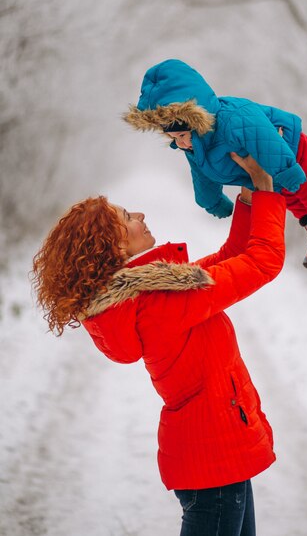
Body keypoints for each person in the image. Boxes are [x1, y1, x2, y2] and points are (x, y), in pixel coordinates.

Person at [32, 154, 286, 536]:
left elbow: (227, 261)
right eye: (127, 217)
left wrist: (249, 198)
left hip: (215, 454)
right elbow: (263, 261)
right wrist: (267, 191)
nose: (141, 215)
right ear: (113, 245)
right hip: (212, 457)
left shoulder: (145, 296)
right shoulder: (155, 303)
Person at [123, 58, 307, 273]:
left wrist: (288, 171)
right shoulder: (194, 145)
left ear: (194, 119)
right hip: (273, 171)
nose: (181, 143)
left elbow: (264, 137)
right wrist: (214, 203)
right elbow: (202, 175)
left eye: (182, 135)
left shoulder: (234, 118)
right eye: (174, 139)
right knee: (296, 204)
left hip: (294, 154)